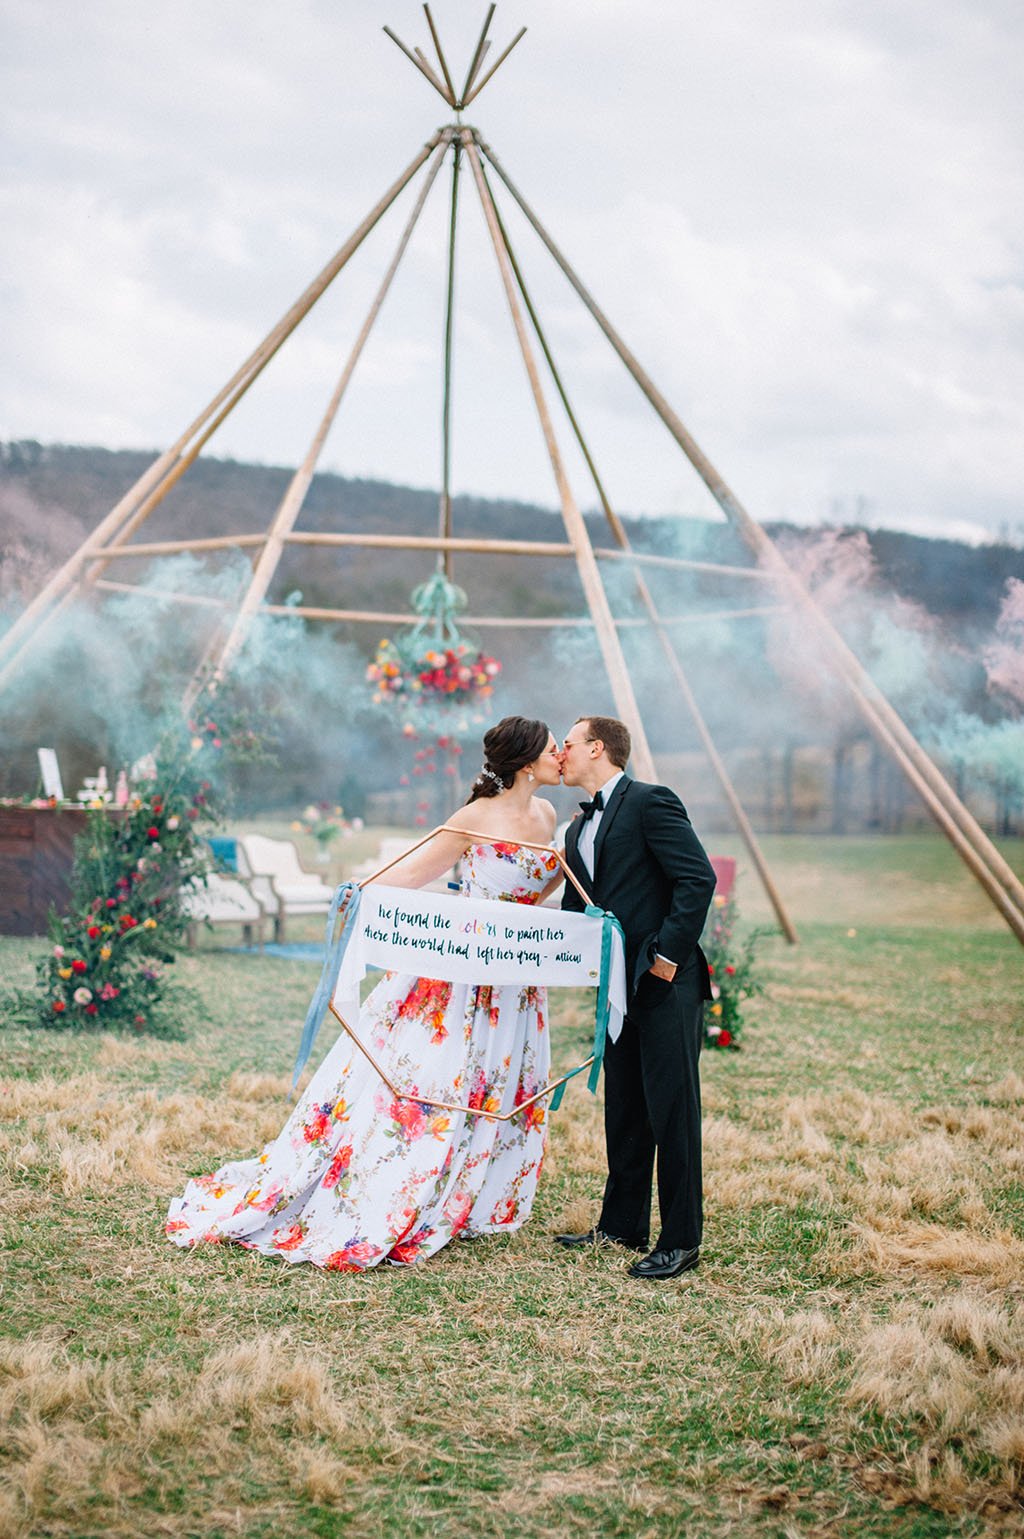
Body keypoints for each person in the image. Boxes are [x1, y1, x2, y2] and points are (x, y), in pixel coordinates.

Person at [165, 717, 564, 1271]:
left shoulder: (547, 815)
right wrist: (361, 893)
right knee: (435, 1076)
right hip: (461, 972)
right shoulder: (473, 817)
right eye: (552, 749)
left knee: (496, 1080)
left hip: (516, 975)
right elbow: (413, 872)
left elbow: (545, 882)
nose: (561, 756)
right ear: (525, 762)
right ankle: (398, 1181)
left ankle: (472, 1193)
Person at [556, 715, 716, 1280]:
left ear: (597, 748)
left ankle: (681, 1240)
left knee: (672, 1109)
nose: (560, 753)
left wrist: (667, 959)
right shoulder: (576, 830)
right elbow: (576, 911)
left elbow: (697, 879)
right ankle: (622, 1224)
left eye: (568, 744)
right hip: (614, 986)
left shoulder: (652, 801)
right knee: (623, 1102)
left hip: (664, 982)